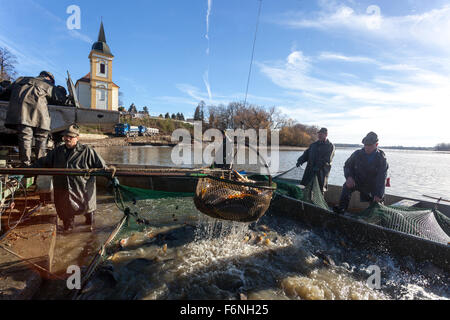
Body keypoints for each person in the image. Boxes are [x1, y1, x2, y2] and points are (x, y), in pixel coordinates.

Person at [32, 125, 107, 232]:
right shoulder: (57, 152)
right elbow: (42, 163)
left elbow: (102, 167)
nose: (67, 139)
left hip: (84, 194)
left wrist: (111, 178)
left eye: (71, 137)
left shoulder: (87, 151)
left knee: (90, 226)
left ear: (77, 138)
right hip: (64, 196)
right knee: (67, 229)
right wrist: (26, 171)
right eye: (66, 136)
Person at [4, 71, 64, 166]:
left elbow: (6, 92)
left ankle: (25, 164)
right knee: (41, 137)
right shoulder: (47, 84)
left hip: (21, 113)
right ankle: (40, 165)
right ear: (49, 78)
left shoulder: (21, 79)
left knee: (25, 137)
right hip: (40, 115)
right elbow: (59, 99)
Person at [333, 132, 389, 214]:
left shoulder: (381, 159)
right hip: (358, 181)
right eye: (366, 145)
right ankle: (341, 208)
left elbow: (382, 178)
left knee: (378, 204)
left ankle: (378, 215)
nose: (367, 147)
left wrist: (379, 195)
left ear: (376, 145)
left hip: (373, 186)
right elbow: (347, 166)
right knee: (346, 186)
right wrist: (349, 177)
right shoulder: (357, 154)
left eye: (370, 145)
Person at [296, 128, 335, 193]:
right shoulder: (313, 145)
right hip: (309, 170)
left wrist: (318, 166)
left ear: (326, 135)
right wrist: (300, 160)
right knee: (304, 186)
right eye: (319, 134)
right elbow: (306, 154)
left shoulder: (330, 146)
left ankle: (318, 202)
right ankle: (304, 202)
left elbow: (327, 159)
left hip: (321, 172)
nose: (319, 135)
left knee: (320, 190)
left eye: (321, 134)